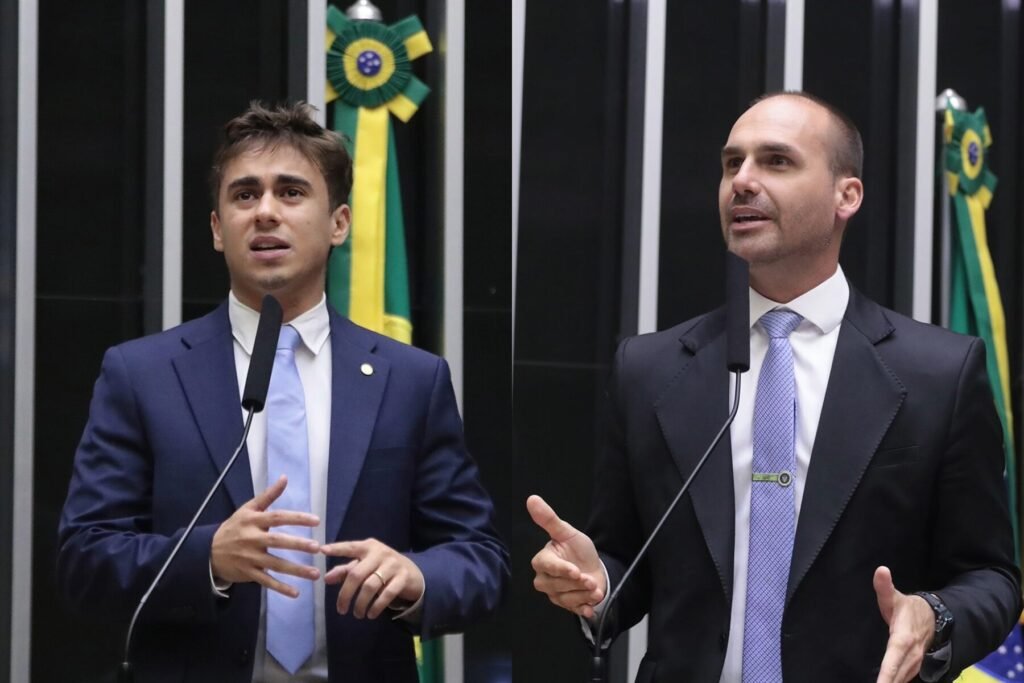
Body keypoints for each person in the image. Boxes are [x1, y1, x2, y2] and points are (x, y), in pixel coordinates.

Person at [528, 92, 1020, 682]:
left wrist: (932, 615)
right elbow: (625, 561)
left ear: (846, 195)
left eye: (776, 161)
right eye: (731, 163)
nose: (742, 181)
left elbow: (991, 577)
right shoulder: (650, 369)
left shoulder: (939, 373)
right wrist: (596, 582)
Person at [58, 101, 508, 683]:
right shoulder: (142, 374)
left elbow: (479, 559)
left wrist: (418, 579)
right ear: (217, 229)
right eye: (245, 195)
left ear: (339, 223)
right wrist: (207, 558)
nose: (266, 212)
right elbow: (84, 560)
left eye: (291, 193)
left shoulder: (411, 380)